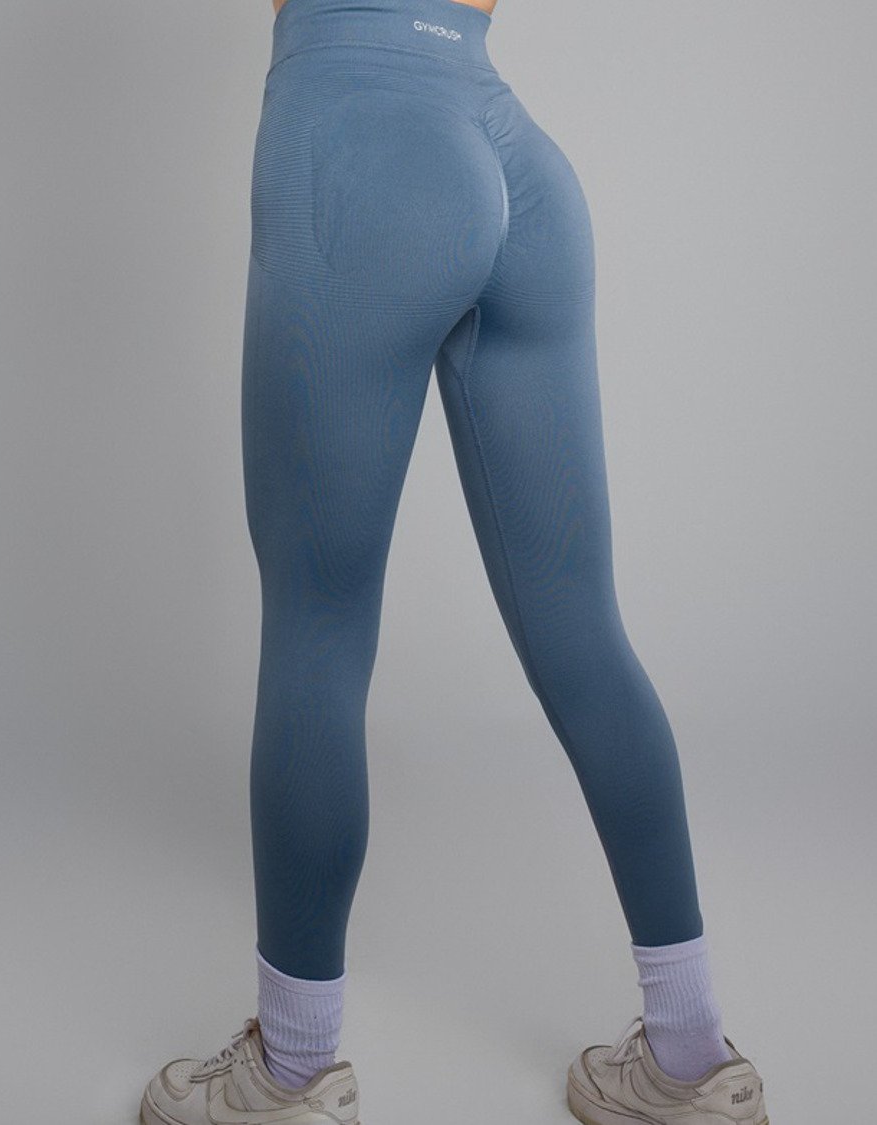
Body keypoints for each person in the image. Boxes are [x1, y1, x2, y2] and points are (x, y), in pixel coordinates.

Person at [139, 1, 769, 1122]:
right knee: (584, 631)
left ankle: (287, 1075)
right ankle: (689, 1058)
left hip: (356, 143)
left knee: (318, 628)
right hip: (514, 155)